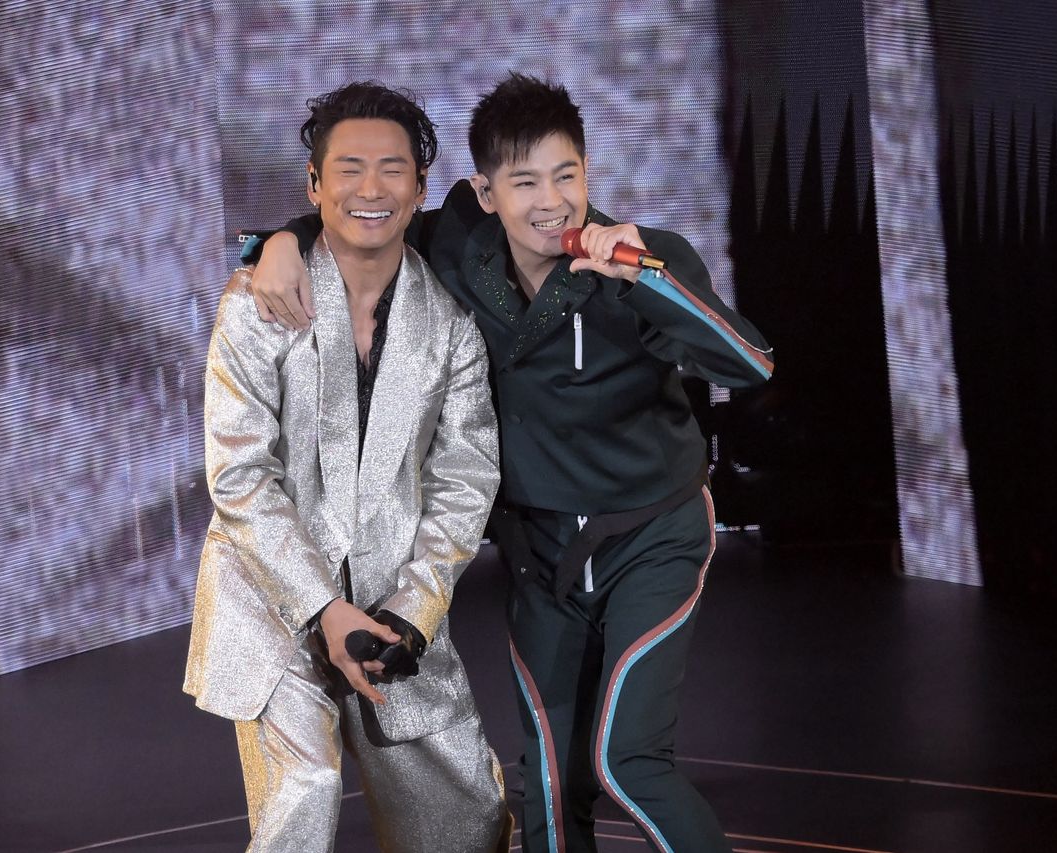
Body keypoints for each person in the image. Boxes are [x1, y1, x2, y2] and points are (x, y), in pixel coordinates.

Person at [247, 74, 774, 853]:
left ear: (588, 174)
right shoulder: (459, 242)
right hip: (541, 554)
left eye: (567, 176)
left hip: (652, 536)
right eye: (525, 182)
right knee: (550, 785)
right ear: (485, 193)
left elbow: (750, 363)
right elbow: (368, 222)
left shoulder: (642, 258)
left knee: (627, 762)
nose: (552, 201)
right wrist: (280, 242)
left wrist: (646, 278)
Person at [183, 81, 510, 853]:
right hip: (272, 600)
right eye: (349, 168)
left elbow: (465, 482)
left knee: (469, 816)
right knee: (304, 790)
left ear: (421, 189)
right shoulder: (255, 301)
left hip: (392, 603)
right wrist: (324, 609)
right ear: (314, 185)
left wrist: (410, 613)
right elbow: (239, 478)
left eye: (392, 169)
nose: (371, 188)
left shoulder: (451, 328)